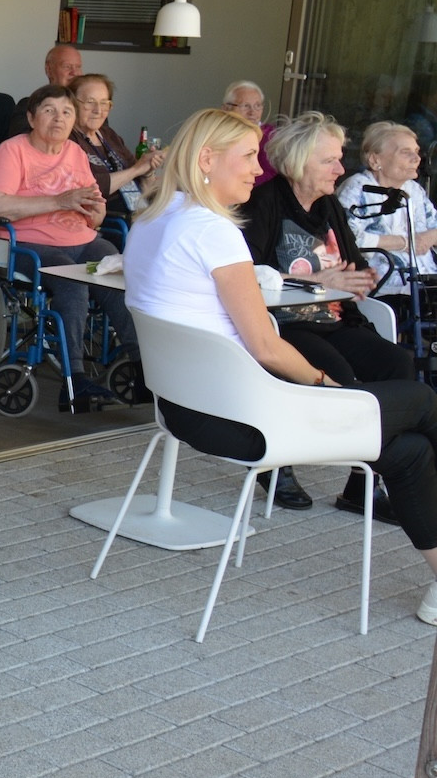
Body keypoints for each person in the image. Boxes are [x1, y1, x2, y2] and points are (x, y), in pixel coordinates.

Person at [124, 107, 437, 627]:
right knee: (422, 400)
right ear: (207, 159)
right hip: (250, 418)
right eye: (247, 156)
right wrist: (328, 386)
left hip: (187, 409)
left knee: (408, 451)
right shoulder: (214, 231)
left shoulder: (153, 218)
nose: (256, 168)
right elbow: (267, 348)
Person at [242, 111, 407, 525]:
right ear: (299, 162)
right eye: (329, 161)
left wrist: (356, 281)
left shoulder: (330, 206)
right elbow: (249, 279)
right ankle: (274, 465)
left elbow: (347, 266)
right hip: (286, 326)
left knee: (398, 365)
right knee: (342, 378)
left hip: (335, 320)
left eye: (339, 158)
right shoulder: (264, 204)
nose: (340, 168)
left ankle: (361, 484)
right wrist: (319, 279)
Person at [0, 83, 136, 411]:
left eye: (66, 112)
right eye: (49, 111)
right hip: (25, 243)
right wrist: (58, 201)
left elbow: (96, 204)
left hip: (80, 239)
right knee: (72, 281)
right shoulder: (13, 150)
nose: (59, 118)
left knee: (120, 272)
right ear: (31, 117)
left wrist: (97, 211)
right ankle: (75, 379)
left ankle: (140, 367)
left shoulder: (75, 152)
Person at [340, 120, 437, 329]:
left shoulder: (414, 190)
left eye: (417, 151)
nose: (416, 158)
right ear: (375, 160)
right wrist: (405, 243)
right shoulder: (358, 189)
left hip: (424, 284)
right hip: (384, 286)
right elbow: (348, 239)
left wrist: (427, 238)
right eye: (405, 152)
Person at [70, 73, 161, 221]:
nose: (98, 110)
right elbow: (90, 188)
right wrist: (136, 169)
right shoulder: (69, 140)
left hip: (140, 212)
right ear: (73, 103)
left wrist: (147, 170)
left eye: (104, 103)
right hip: (111, 221)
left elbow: (141, 181)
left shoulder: (109, 134)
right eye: (90, 102)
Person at [10, 44, 83, 137]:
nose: (74, 72)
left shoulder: (91, 107)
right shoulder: (28, 106)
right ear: (49, 70)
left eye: (78, 67)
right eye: (67, 66)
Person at [223, 79, 279, 185]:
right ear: (226, 108)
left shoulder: (270, 137)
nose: (252, 112)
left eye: (258, 106)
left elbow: (270, 175)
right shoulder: (216, 134)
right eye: (245, 106)